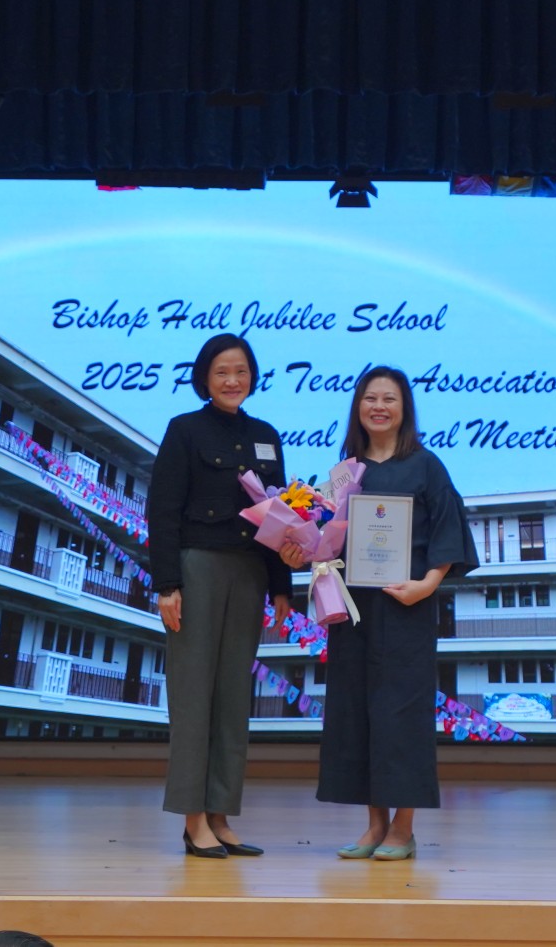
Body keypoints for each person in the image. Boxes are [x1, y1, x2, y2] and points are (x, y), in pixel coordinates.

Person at [281, 366, 478, 860]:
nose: (379, 407)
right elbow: (327, 539)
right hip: (355, 609)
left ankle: (402, 829)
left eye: (390, 398)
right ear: (358, 407)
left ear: (404, 408)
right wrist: (302, 548)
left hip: (407, 605)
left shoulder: (427, 466)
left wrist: (427, 585)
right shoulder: (345, 472)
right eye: (370, 398)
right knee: (357, 710)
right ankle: (374, 825)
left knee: (402, 715)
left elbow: (448, 533)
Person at [147, 333, 291, 858]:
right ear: (205, 378)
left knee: (233, 697)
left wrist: (282, 586)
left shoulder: (266, 435)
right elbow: (162, 510)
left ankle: (221, 815)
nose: (233, 380)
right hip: (198, 569)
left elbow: (280, 514)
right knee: (194, 697)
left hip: (250, 572)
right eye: (222, 371)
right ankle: (193, 820)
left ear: (253, 376)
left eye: (241, 371)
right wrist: (167, 584)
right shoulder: (184, 429)